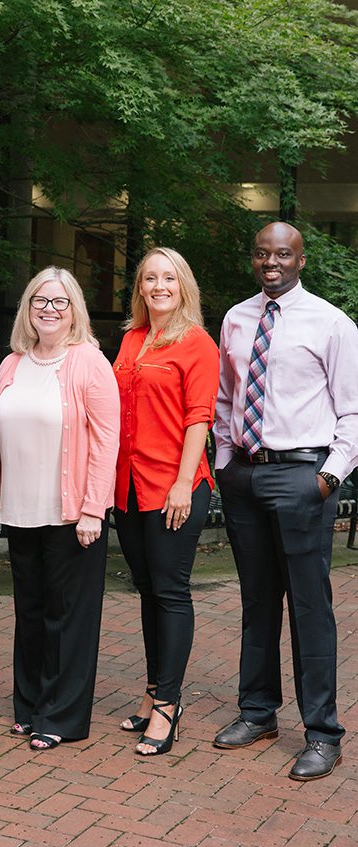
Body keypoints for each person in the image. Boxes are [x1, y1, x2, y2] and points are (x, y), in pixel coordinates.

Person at [213, 221, 358, 781]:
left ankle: (323, 733)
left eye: (282, 254)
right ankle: (258, 713)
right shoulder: (236, 317)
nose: (270, 263)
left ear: (301, 260)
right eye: (261, 254)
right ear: (253, 259)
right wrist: (225, 462)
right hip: (246, 477)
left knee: (309, 608)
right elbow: (227, 397)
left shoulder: (332, 323)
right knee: (256, 601)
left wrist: (328, 477)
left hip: (302, 476)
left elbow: (352, 411)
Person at [0, 267, 119, 750]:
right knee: (31, 613)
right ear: (27, 308)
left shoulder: (89, 363)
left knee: (69, 619)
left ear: (74, 308)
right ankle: (30, 706)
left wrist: (93, 509)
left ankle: (62, 717)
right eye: (40, 300)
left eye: (59, 302)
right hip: (20, 512)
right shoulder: (11, 365)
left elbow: (105, 442)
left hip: (71, 513)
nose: (49, 309)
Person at [113, 247, 219, 756]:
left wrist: (182, 482)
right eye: (150, 278)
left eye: (168, 278)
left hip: (173, 486)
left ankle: (169, 706)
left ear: (183, 286)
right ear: (140, 287)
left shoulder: (196, 343)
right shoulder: (132, 339)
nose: (159, 286)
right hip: (128, 488)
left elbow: (199, 417)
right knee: (147, 589)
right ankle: (153, 689)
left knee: (171, 592)